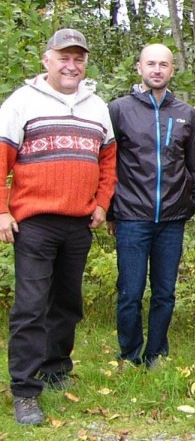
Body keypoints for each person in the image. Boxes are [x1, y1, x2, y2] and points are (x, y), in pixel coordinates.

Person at [0, 29, 117, 425]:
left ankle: (55, 370)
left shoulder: (97, 106)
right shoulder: (22, 102)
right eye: (64, 57)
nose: (72, 65)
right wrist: (2, 211)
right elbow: (1, 161)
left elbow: (108, 161)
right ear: (47, 59)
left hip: (78, 222)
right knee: (31, 307)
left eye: (78, 59)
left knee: (66, 304)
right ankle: (25, 390)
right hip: (33, 222)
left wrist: (102, 204)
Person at [107, 44, 195, 368]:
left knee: (165, 292)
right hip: (132, 216)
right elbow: (107, 163)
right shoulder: (119, 110)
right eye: (151, 64)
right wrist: (110, 211)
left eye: (164, 64)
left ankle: (156, 353)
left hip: (172, 220)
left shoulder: (186, 114)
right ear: (139, 68)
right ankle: (129, 355)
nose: (157, 70)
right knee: (130, 292)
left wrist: (187, 205)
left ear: (172, 70)